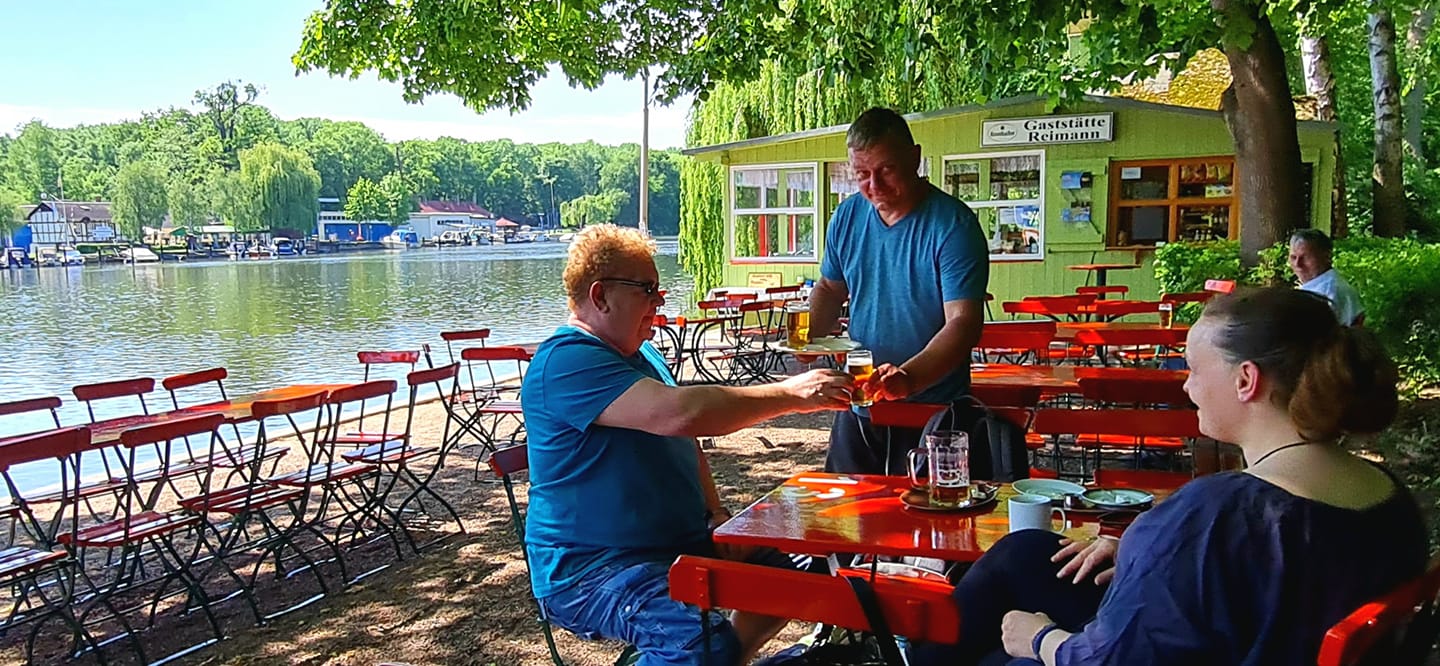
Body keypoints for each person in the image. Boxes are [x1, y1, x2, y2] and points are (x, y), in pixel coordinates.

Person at [909, 287, 1425, 666]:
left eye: (1195, 369)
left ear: (1246, 380)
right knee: (1025, 553)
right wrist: (1142, 553)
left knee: (999, 654)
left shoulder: (1214, 515)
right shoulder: (1391, 500)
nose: (1186, 386)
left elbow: (1111, 661)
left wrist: (1040, 639)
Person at [521, 224, 854, 666]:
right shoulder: (566, 361)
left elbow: (686, 438)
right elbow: (682, 413)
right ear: (600, 296)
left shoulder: (639, 354)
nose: (659, 302)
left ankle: (728, 659)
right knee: (698, 642)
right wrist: (793, 393)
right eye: (647, 289)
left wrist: (716, 514)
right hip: (592, 568)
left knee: (816, 557)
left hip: (679, 543)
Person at [808, 106, 990, 475]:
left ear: (915, 158)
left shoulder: (953, 224)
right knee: (844, 518)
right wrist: (809, 336)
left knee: (929, 523)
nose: (873, 186)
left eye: (886, 170)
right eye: (861, 174)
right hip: (858, 403)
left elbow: (963, 323)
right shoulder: (846, 216)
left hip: (935, 410)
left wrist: (908, 377)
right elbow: (830, 287)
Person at [1288, 228, 1365, 326]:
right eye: (1293, 257)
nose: (1297, 264)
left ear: (1326, 257)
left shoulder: (1329, 291)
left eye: (1305, 257)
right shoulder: (1317, 285)